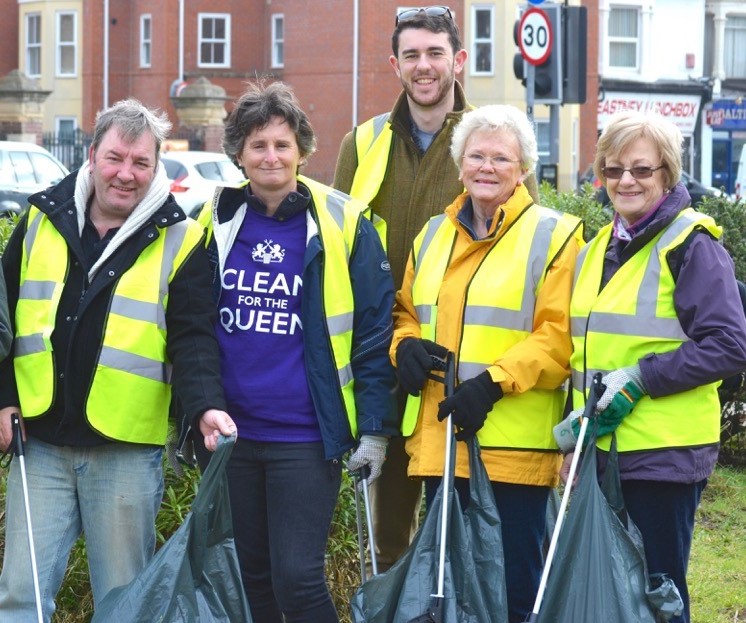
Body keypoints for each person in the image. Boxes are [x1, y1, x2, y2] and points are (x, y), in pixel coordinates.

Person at [0, 98, 236, 621]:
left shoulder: (181, 238)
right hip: (37, 443)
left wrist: (205, 408)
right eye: (115, 158)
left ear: (157, 168)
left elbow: (194, 340)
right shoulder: (40, 218)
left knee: (126, 604)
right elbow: (3, 321)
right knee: (20, 597)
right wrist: (3, 399)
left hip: (125, 451)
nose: (126, 174)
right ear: (91, 156)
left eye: (141, 163)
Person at [333, 4, 541, 572]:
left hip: (465, 371)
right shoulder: (363, 141)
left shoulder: (494, 140)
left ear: (459, 60)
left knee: (466, 538)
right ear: (395, 64)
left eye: (435, 53)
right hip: (385, 359)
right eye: (412, 55)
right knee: (387, 537)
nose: (424, 66)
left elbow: (527, 250)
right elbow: (337, 250)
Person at [197, 81, 396, 623]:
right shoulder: (211, 219)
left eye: (283, 145)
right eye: (258, 145)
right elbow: (190, 326)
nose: (271, 157)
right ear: (237, 152)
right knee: (253, 578)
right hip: (233, 437)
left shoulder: (344, 220)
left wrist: (375, 429)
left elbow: (376, 333)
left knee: (297, 577)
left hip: (304, 437)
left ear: (303, 150)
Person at [391, 104, 583, 623]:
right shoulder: (433, 234)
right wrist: (403, 347)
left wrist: (494, 383)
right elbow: (405, 313)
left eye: (502, 157)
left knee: (512, 596)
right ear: (460, 165)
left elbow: (559, 335)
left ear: (523, 170)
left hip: (514, 452)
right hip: (440, 445)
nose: (487, 166)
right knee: (444, 594)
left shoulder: (556, 234)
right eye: (476, 155)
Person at [554, 110, 746, 623]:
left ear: (667, 174)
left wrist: (643, 376)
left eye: (641, 169)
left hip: (663, 456)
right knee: (613, 598)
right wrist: (578, 441)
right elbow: (588, 358)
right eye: (613, 170)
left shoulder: (691, 246)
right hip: (605, 452)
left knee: (656, 596)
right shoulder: (598, 250)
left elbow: (729, 344)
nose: (626, 181)